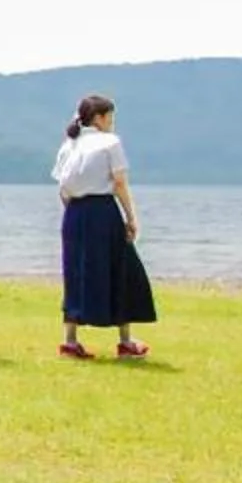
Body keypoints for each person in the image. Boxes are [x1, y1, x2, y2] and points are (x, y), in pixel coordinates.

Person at [53, 94, 156, 359]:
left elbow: (62, 188)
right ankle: (125, 341)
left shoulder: (69, 145)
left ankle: (70, 341)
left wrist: (73, 212)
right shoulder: (110, 142)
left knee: (76, 272)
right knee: (121, 270)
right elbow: (119, 182)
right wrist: (131, 217)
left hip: (74, 214)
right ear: (99, 118)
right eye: (110, 117)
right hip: (102, 211)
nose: (112, 122)